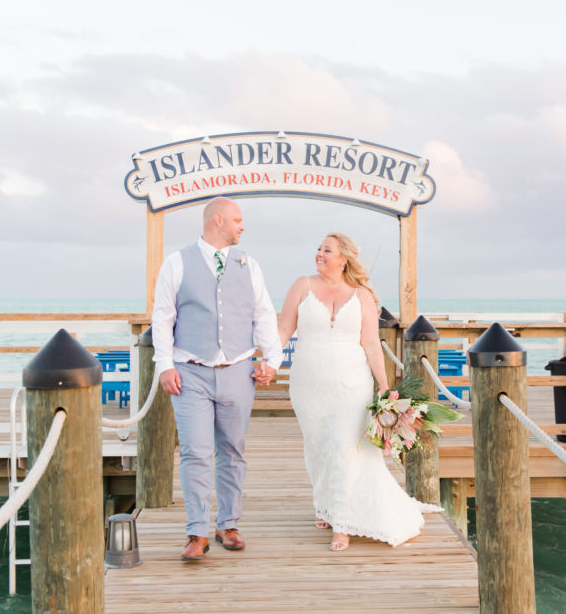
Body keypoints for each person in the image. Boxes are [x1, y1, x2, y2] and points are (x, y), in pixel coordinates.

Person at [276, 232, 441, 551]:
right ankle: (324, 504)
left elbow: (370, 343)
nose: (320, 254)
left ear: (344, 258)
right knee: (319, 446)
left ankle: (343, 521)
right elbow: (284, 329)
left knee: (344, 447)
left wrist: (383, 385)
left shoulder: (362, 295)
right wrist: (267, 362)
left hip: (352, 384)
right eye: (319, 248)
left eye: (327, 250)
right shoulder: (302, 286)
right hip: (308, 384)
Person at [152, 197, 282, 561]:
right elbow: (162, 317)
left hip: (239, 370)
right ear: (219, 220)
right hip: (189, 371)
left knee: (233, 452)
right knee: (195, 452)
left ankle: (228, 524)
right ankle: (196, 531)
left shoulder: (249, 265)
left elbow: (264, 314)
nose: (243, 226)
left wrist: (272, 359)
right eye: (238, 220)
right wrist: (165, 365)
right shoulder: (177, 263)